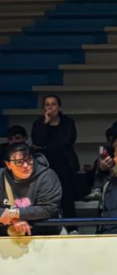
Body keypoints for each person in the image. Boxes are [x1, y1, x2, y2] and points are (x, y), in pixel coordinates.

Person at [31, 94, 79, 226]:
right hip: (45, 164)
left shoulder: (68, 122)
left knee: (67, 197)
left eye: (53, 104)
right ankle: (49, 227)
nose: (50, 107)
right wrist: (46, 123)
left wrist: (45, 147)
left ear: (59, 106)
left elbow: (67, 141)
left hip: (65, 162)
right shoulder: (39, 123)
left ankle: (72, 228)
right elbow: (37, 141)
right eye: (47, 104)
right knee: (47, 197)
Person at [0, 142, 61, 237]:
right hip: (6, 234)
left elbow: (49, 208)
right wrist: (14, 219)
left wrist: (14, 213)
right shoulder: (1, 176)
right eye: (19, 162)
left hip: (44, 234)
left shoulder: (47, 176)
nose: (25, 165)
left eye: (29, 160)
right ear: (8, 164)